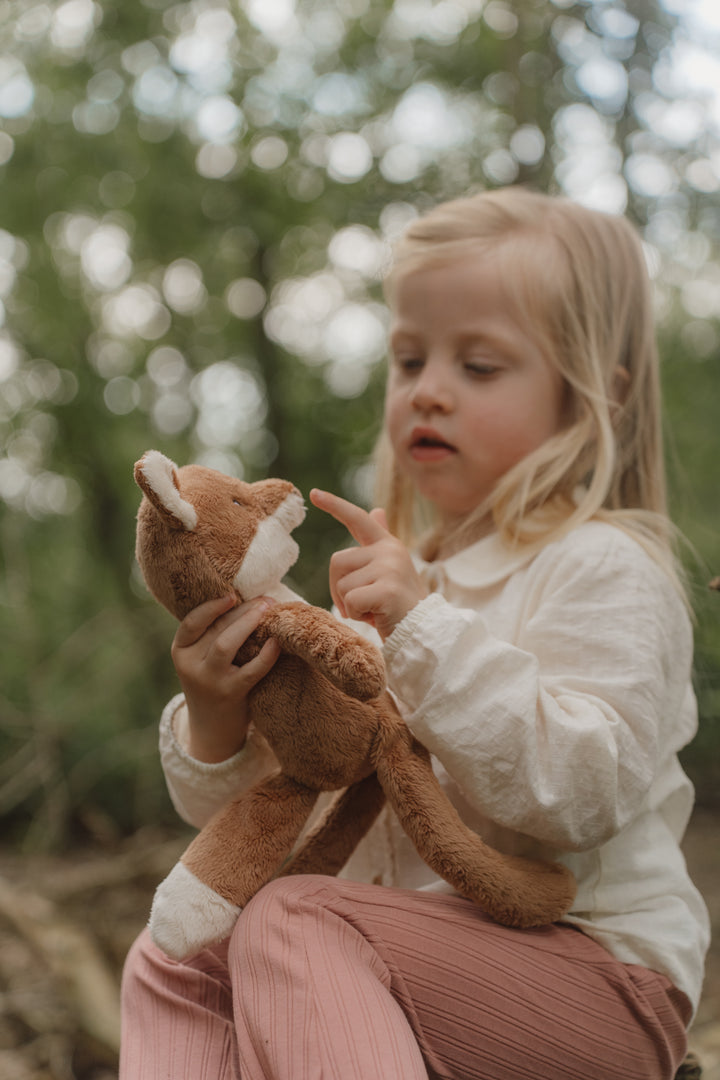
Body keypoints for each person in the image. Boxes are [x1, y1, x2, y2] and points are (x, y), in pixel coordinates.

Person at [120, 187, 710, 1080]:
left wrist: (422, 629)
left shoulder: (604, 566)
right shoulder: (397, 569)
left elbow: (585, 789)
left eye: (479, 366)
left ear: (592, 400)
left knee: (297, 921)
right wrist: (219, 716)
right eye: (408, 359)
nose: (428, 390)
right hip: (413, 962)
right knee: (176, 959)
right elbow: (300, 789)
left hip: (598, 972)